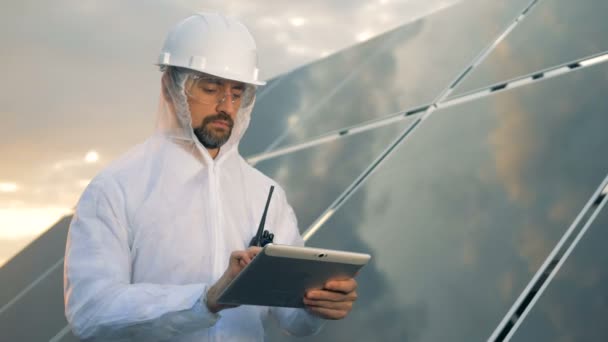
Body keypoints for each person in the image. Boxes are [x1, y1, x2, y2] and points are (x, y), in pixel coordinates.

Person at [63, 12, 358, 341]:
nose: (225, 106)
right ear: (168, 87)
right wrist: (206, 299)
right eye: (210, 87)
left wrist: (319, 304)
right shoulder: (115, 189)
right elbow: (91, 311)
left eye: (237, 93)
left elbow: (292, 318)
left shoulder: (266, 193)